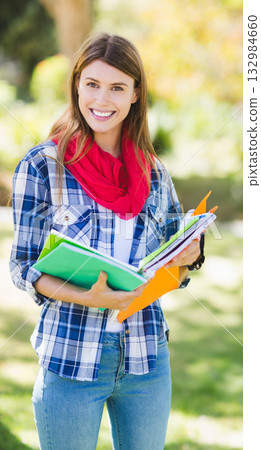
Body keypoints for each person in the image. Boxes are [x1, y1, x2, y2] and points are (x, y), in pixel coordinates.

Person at [10, 32, 201, 450]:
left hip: (147, 359)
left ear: (135, 95)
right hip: (70, 358)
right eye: (92, 84)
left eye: (117, 87)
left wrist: (190, 254)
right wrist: (90, 297)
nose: (103, 99)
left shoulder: (153, 172)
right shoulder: (43, 167)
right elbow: (24, 269)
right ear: (76, 85)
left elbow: (174, 263)